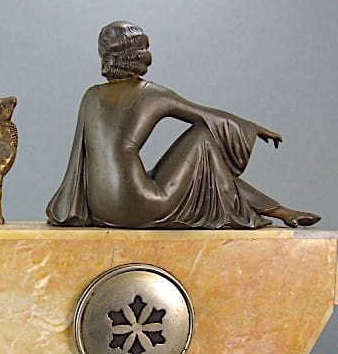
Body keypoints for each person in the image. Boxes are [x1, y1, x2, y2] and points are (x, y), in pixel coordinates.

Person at [46, 21, 320, 229]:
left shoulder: (91, 96)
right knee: (203, 138)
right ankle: (279, 210)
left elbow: (81, 158)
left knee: (194, 160)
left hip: (101, 207)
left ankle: (279, 210)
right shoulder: (151, 93)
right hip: (139, 204)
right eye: (143, 49)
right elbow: (206, 117)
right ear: (135, 55)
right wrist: (251, 128)